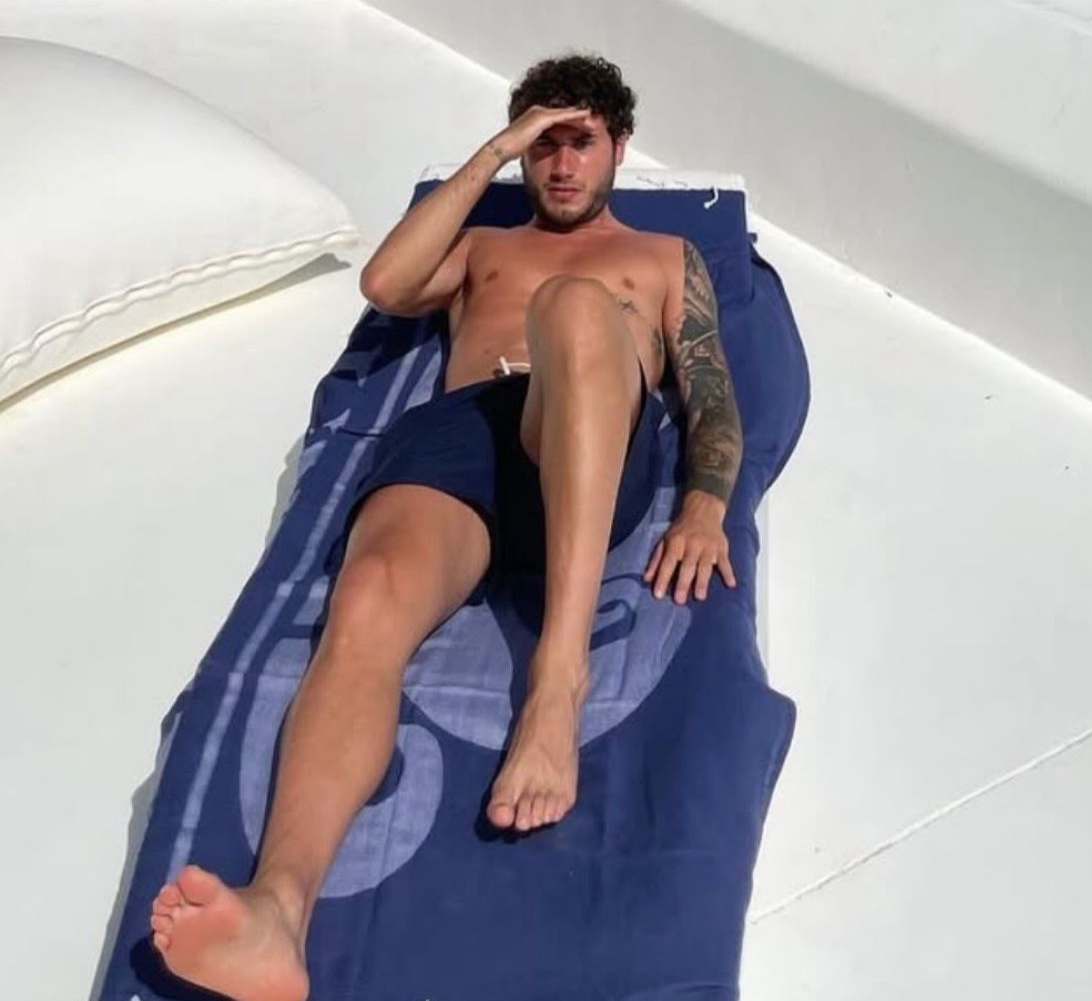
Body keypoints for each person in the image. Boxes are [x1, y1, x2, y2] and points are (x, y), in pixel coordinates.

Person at [147, 53, 744, 1001]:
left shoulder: (666, 258)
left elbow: (709, 392)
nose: (560, 164)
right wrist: (492, 152)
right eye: (540, 145)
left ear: (619, 148)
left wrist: (704, 502)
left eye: (580, 142)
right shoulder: (481, 246)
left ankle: (557, 679)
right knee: (367, 596)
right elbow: (385, 283)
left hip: (592, 430)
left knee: (574, 307)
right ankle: (277, 910)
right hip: (466, 434)